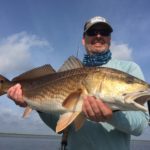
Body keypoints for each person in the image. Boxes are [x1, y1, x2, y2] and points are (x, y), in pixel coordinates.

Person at [7, 16, 149, 150]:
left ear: (110, 39)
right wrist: (35, 105)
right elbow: (60, 127)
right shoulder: (72, 71)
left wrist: (112, 115)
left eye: (104, 32)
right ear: (83, 40)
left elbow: (140, 126)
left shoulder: (129, 68)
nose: (98, 36)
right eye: (92, 32)